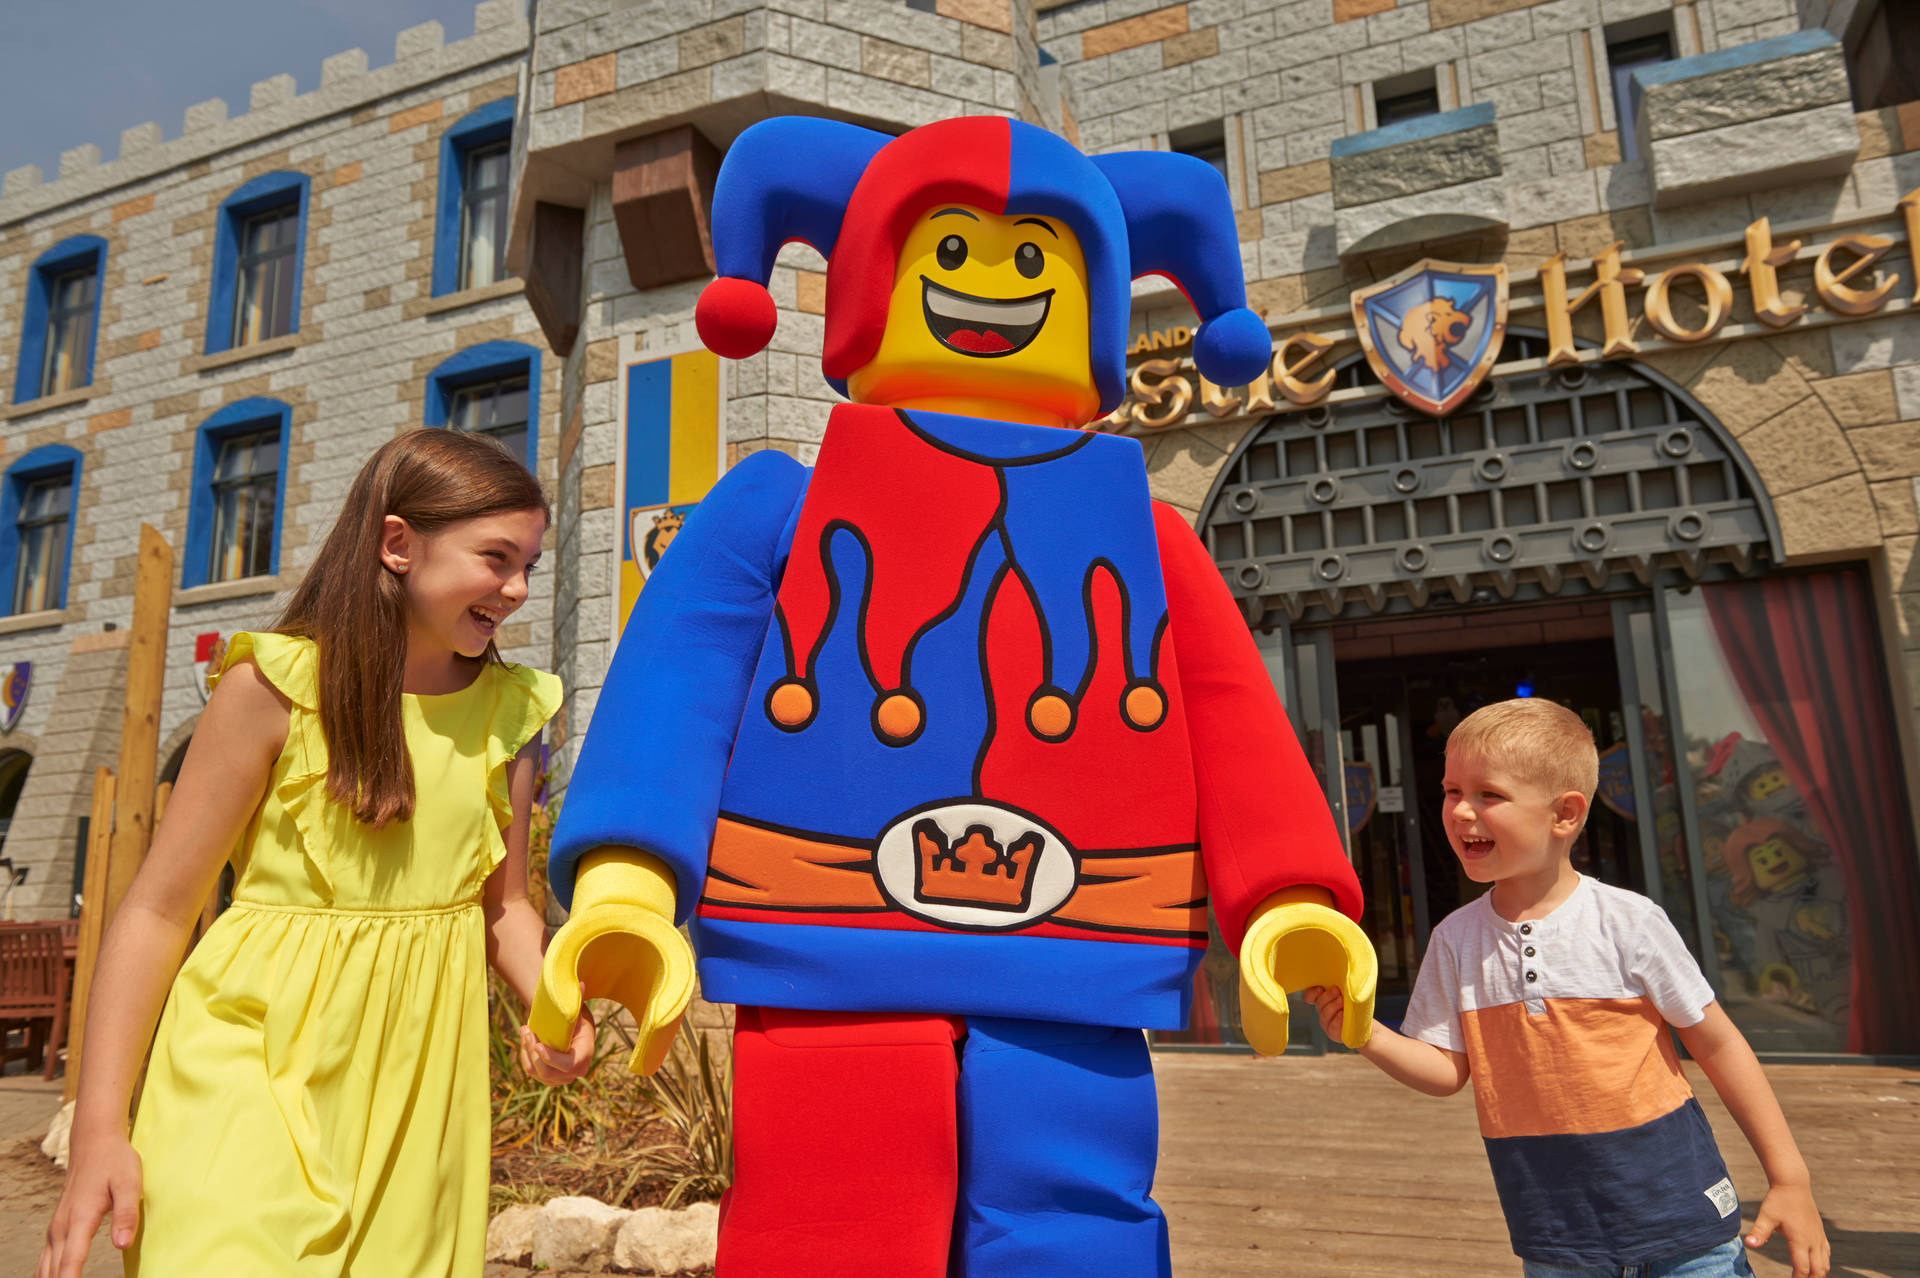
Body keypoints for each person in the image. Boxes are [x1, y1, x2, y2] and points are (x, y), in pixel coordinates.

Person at [528, 114, 1377, 1277]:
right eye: (952, 249)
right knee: (834, 1214)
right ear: (878, 281)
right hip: (828, 927)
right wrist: (629, 879)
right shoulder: (775, 500)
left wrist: (1287, 894)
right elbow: (674, 684)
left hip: (1075, 942)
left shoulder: (1149, 534)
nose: (991, 282)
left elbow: (1232, 717)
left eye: (1034, 257)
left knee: (1072, 1214)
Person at [38, 429, 594, 1278]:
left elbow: (504, 904)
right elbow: (155, 910)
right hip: (245, 1060)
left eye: (529, 565)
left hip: (418, 1101)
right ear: (398, 543)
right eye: (496, 558)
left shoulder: (511, 713)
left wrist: (553, 1004)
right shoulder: (273, 688)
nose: (516, 589)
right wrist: (99, 1131)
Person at [1307, 698, 1832, 1278]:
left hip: (1685, 1223)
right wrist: (1363, 1031)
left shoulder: (1630, 922)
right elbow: (1446, 1071)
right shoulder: (1455, 940)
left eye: (1489, 795)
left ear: (1564, 814)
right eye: (1452, 791)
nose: (1460, 812)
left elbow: (1719, 1045)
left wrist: (1790, 1178)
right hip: (1555, 1234)